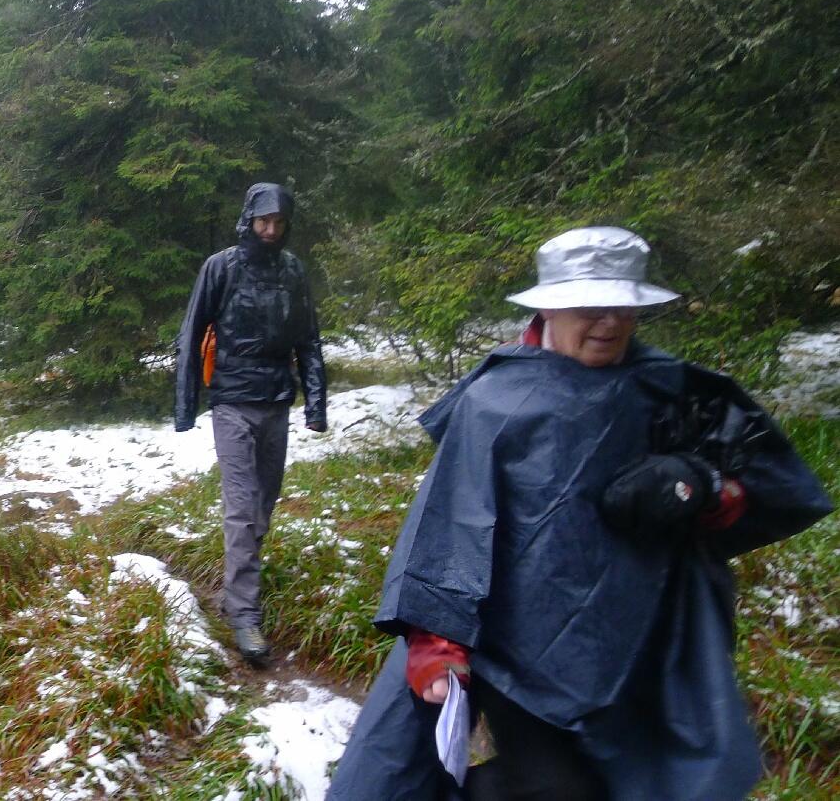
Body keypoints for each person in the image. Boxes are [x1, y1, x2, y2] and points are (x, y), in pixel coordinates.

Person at [324, 227, 833, 801]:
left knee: (634, 783)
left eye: (623, 308)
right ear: (549, 307)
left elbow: (765, 481)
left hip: (638, 641)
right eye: (591, 308)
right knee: (555, 788)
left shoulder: (669, 389)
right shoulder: (496, 403)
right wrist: (437, 645)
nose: (610, 323)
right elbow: (452, 523)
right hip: (517, 646)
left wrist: (704, 485)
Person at [174, 182, 327, 665]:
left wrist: (316, 404)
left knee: (262, 505)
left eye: (279, 222)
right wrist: (185, 406)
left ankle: (236, 588)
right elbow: (191, 332)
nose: (271, 230)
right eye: (264, 221)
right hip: (232, 402)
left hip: (276, 401)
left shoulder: (293, 271)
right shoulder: (221, 267)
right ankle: (245, 616)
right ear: (248, 220)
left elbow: (308, 339)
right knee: (241, 507)